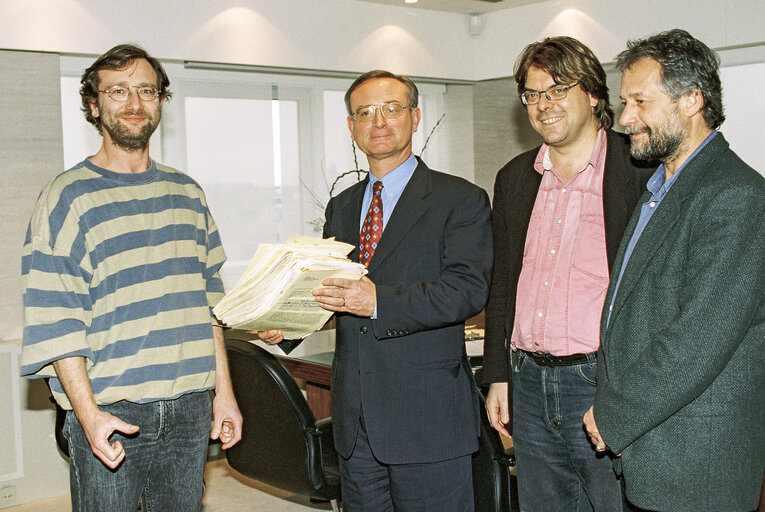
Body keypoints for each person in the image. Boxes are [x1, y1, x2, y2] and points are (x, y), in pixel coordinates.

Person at [20, 44, 242, 512]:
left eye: (146, 90)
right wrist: (88, 415)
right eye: (118, 91)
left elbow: (210, 306)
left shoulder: (188, 194)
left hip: (189, 407)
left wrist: (224, 395)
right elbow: (56, 322)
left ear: (161, 100)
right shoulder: (66, 198)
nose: (135, 103)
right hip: (110, 409)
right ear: (95, 105)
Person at [258, 70, 492, 511]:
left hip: (428, 417)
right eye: (365, 112)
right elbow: (329, 287)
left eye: (391, 109)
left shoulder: (460, 199)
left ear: (415, 117)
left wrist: (379, 301)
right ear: (351, 126)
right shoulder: (342, 206)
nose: (378, 122)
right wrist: (285, 325)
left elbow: (467, 290)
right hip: (356, 420)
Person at [583, 29, 765, 511]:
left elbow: (697, 339)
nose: (625, 120)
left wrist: (613, 413)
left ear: (691, 100)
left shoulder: (736, 197)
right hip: (654, 454)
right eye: (624, 103)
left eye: (640, 101)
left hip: (696, 467)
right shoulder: (661, 190)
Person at [480, 36, 652, 511]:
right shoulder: (514, 177)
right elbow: (502, 288)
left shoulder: (642, 170)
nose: (543, 105)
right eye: (532, 95)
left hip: (602, 380)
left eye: (557, 89)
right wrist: (499, 375)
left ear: (594, 94)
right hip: (528, 382)